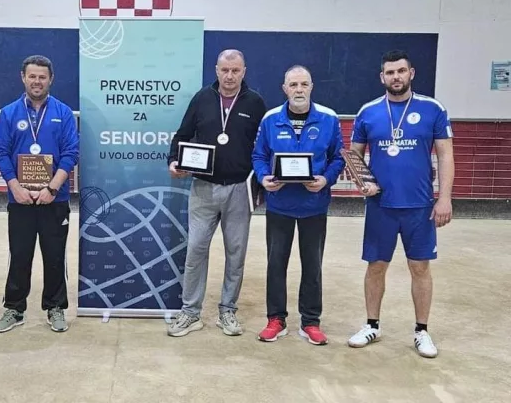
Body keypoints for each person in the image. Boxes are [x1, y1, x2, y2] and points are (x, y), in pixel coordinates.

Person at [346, 49, 454, 359]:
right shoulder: (368, 112)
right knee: (376, 266)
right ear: (382, 77)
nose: (396, 77)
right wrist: (362, 182)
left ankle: (422, 330)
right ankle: (372, 325)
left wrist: (444, 198)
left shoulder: (432, 109)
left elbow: (446, 155)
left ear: (411, 73)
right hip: (380, 205)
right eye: (390, 72)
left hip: (419, 205)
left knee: (420, 267)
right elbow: (354, 155)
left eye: (401, 71)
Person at [166, 49, 267, 337]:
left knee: (236, 253)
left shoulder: (255, 102)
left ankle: (228, 310)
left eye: (235, 70)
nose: (230, 76)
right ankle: (190, 312)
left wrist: (260, 184)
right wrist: (174, 160)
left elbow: (265, 145)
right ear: (216, 70)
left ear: (244, 71)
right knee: (196, 249)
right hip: (203, 188)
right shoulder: (202, 99)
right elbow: (182, 135)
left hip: (239, 189)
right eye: (225, 70)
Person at [251, 65, 345, 346]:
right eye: (293, 85)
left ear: (312, 87)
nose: (299, 89)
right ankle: (276, 319)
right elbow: (259, 155)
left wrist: (326, 179)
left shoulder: (328, 118)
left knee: (312, 265)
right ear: (285, 89)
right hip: (279, 205)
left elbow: (338, 157)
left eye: (304, 84)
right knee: (275, 264)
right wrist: (263, 178)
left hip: (314, 205)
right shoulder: (270, 119)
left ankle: (310, 322)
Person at [0, 55, 79, 333]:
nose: (37, 81)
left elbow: (71, 153)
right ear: (23, 77)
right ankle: (14, 308)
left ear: (50, 79)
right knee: (19, 255)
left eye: (42, 77)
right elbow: (1, 152)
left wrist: (52, 188)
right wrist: (14, 187)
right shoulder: (9, 113)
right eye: (32, 76)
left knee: (54, 256)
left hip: (54, 198)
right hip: (20, 199)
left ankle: (55, 307)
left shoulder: (63, 112)